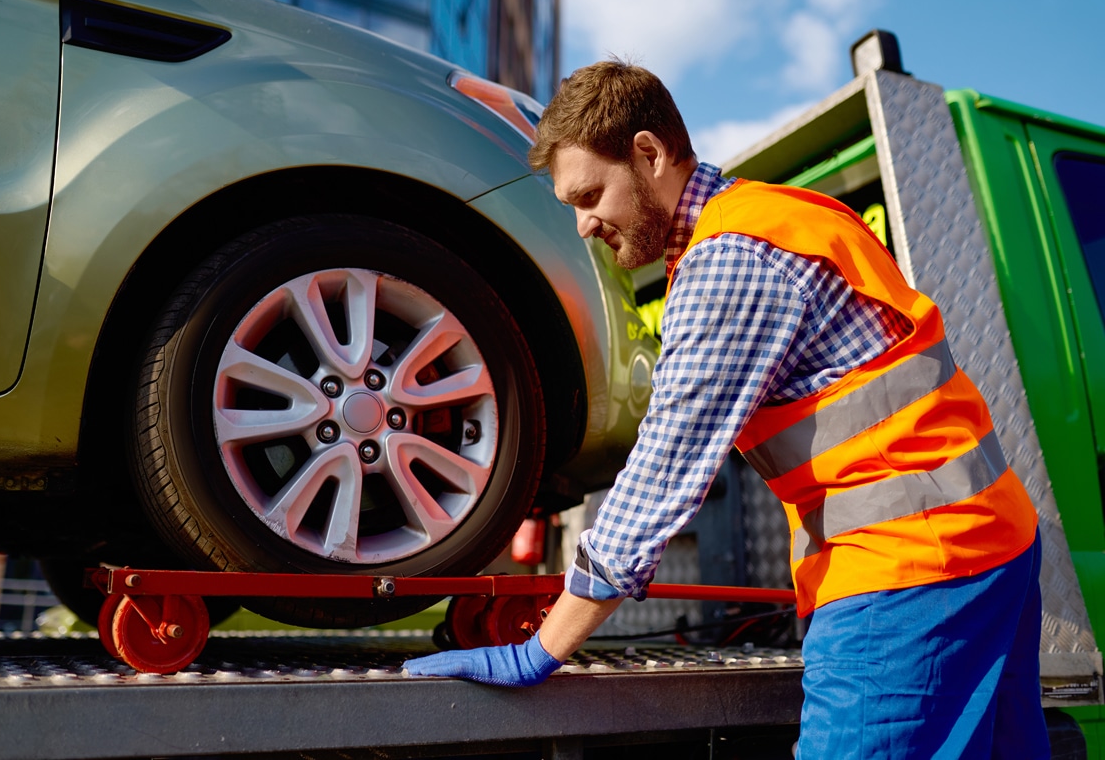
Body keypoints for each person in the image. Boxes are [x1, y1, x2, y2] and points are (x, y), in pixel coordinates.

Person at [404, 59, 1048, 758]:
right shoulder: (778, 215)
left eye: (590, 195)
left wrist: (543, 650)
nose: (584, 224)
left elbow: (664, 472)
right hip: (990, 540)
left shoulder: (730, 261)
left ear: (648, 154)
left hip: (912, 574)